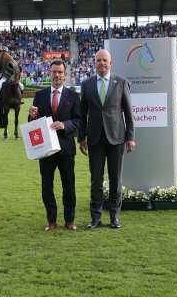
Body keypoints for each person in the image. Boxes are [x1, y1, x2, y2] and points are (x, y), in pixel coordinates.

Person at [78, 49, 136, 230]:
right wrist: (81, 137)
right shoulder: (86, 85)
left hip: (117, 138)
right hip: (94, 140)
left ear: (110, 63)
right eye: (98, 61)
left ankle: (114, 217)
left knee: (115, 180)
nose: (101, 63)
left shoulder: (121, 82)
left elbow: (128, 112)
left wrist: (131, 137)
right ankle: (95, 218)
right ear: (94, 63)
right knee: (95, 180)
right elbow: (82, 115)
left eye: (104, 60)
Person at [28, 60, 81, 231]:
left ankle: (69, 220)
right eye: (54, 72)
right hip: (46, 149)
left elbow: (79, 121)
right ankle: (51, 220)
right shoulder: (40, 95)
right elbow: (33, 123)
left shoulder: (73, 96)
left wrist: (65, 125)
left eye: (60, 72)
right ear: (49, 73)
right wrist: (32, 116)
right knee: (47, 186)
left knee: (69, 185)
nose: (57, 75)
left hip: (66, 148)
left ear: (65, 75)